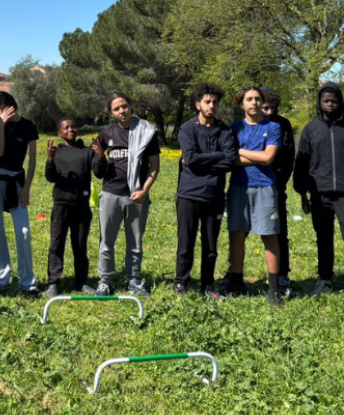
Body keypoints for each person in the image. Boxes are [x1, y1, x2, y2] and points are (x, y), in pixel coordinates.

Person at [293, 82, 344, 304]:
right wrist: (303, 194)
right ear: (320, 103)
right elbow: (301, 164)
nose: (330, 104)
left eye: (334, 100)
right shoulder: (311, 129)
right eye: (326, 101)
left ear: (340, 102)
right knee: (323, 237)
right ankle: (325, 280)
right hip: (319, 194)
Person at [175, 83, 237, 299]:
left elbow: (230, 161)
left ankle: (207, 286)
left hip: (215, 196)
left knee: (210, 246)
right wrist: (218, 156)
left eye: (215, 102)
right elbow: (190, 158)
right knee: (186, 243)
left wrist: (203, 161)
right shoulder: (187, 129)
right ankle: (181, 283)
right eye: (207, 102)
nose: (211, 105)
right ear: (198, 104)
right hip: (188, 195)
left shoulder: (226, 131)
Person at [95, 92, 160, 298]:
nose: (122, 111)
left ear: (131, 106)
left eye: (124, 106)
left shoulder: (146, 132)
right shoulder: (107, 133)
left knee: (135, 243)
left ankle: (134, 281)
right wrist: (99, 158)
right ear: (111, 113)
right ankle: (105, 281)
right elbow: (96, 163)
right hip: (111, 195)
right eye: (116, 109)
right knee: (107, 241)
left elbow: (155, 167)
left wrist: (144, 191)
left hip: (137, 196)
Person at [227, 87, 283, 306]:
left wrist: (240, 151)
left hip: (265, 187)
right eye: (249, 99)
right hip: (238, 187)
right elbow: (229, 159)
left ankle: (274, 290)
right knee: (236, 235)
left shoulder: (273, 127)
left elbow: (269, 158)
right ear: (241, 104)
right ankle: (237, 282)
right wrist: (257, 156)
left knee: (269, 236)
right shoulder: (234, 128)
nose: (254, 103)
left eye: (257, 99)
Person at [44, 117, 105, 297]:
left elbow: (100, 173)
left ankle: (81, 282)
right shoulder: (57, 153)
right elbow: (51, 178)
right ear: (59, 133)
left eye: (73, 126)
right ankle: (53, 283)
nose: (71, 129)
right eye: (66, 127)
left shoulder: (87, 151)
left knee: (80, 245)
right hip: (61, 205)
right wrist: (50, 160)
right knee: (57, 244)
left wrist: (101, 157)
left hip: (81, 206)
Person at [0, 91, 40, 294]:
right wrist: (1, 124)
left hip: (17, 180)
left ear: (13, 103)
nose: (4, 112)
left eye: (6, 107)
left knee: (24, 231)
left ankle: (28, 282)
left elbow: (32, 161)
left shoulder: (29, 125)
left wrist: (26, 188)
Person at [261, 88, 297, 298]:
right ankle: (234, 274)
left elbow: (289, 157)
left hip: (275, 187)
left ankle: (282, 276)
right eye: (265, 108)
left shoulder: (283, 124)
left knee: (279, 232)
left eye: (273, 108)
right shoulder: (247, 124)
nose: (269, 112)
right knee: (239, 232)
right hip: (249, 186)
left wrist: (279, 183)